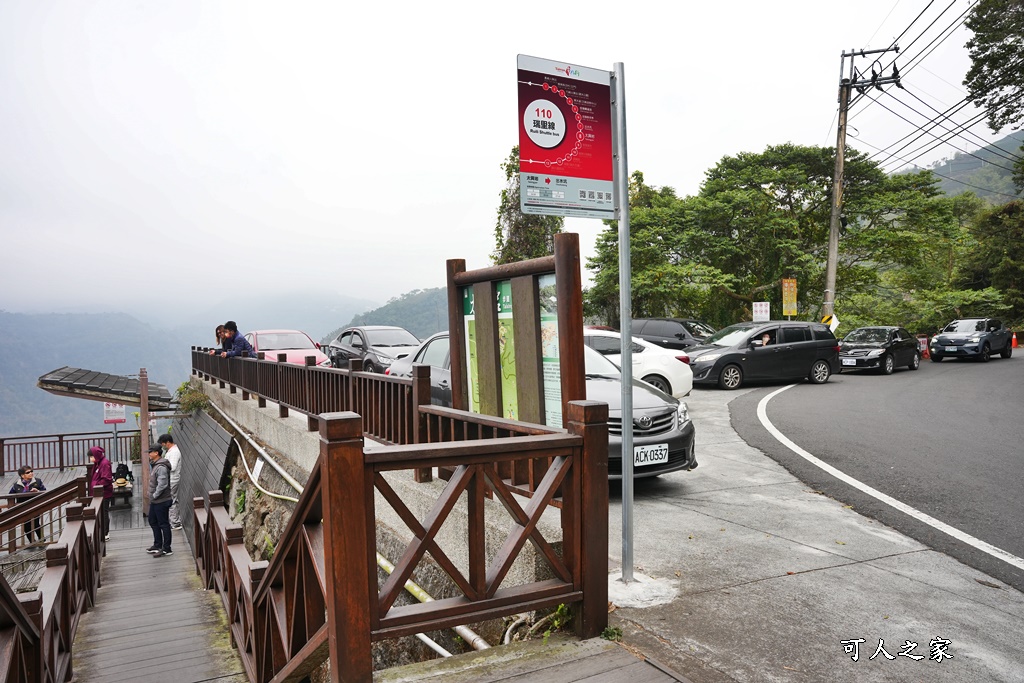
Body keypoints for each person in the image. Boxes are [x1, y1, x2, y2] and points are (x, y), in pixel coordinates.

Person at [146, 444, 173, 557]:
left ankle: (167, 548)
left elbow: (162, 484)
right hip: (156, 500)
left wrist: (154, 495)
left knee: (163, 524)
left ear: (156, 453)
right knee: (152, 520)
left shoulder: (161, 467)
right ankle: (157, 544)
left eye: (150, 452)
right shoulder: (156, 465)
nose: (148, 454)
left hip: (161, 500)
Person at [9, 466, 46, 543]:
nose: (31, 473)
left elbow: (44, 491)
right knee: (26, 526)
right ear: (22, 475)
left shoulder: (38, 481)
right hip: (23, 508)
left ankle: (42, 539)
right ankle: (31, 541)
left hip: (35, 506)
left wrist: (37, 491)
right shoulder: (16, 485)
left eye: (31, 471)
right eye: (28, 472)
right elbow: (10, 495)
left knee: (36, 523)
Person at [88, 446, 114, 541]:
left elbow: (106, 479)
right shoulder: (98, 463)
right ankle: (102, 531)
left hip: (104, 493)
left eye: (92, 456)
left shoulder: (104, 463)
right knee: (101, 513)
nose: (91, 459)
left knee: (104, 513)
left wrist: (97, 485)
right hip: (98, 493)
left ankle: (105, 532)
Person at [158, 434, 183, 530]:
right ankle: (175, 520)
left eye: (163, 444)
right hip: (171, 479)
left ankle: (175, 523)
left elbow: (172, 467)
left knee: (171, 500)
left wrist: (162, 464)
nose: (163, 446)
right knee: (173, 500)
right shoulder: (172, 451)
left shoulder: (174, 452)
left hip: (172, 479)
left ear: (168, 442)